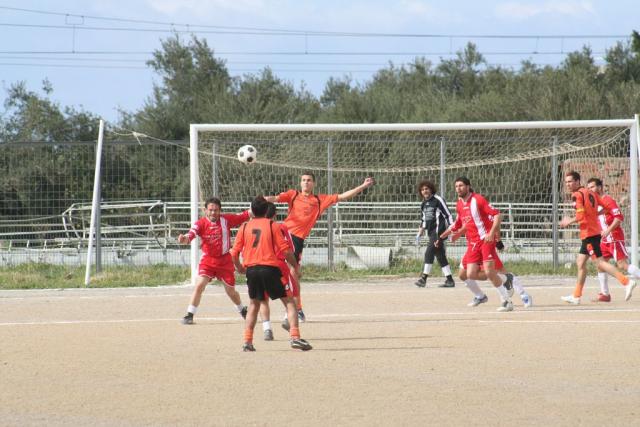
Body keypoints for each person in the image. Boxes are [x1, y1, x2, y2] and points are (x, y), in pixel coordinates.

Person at [266, 173, 375, 322]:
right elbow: (274, 198)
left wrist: (363, 186)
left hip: (296, 239)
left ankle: (296, 309)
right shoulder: (293, 195)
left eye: (309, 180)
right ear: (300, 183)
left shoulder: (319, 200)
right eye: (303, 180)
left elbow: (343, 196)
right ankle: (282, 307)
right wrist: (262, 199)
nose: (306, 182)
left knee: (292, 273)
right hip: (282, 233)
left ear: (314, 184)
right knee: (275, 270)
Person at [230, 196, 311, 352]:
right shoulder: (272, 225)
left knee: (253, 304)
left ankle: (247, 341)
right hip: (270, 268)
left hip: (252, 270)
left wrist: (239, 267)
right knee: (289, 302)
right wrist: (295, 266)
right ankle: (295, 337)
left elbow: (234, 253)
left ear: (252, 211)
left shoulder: (244, 227)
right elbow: (285, 251)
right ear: (266, 210)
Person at [439, 177, 515, 312]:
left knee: (489, 271)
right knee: (470, 274)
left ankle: (506, 301)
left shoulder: (478, 199)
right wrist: (444, 235)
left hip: (485, 240)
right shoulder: (459, 204)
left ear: (468, 186)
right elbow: (458, 223)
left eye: (461, 185)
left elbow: (497, 215)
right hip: (473, 243)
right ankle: (504, 278)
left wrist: (491, 233)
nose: (458, 188)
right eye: (456, 186)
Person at [559, 171, 636, 304]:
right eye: (566, 182)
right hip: (592, 233)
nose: (568, 184)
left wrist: (568, 221)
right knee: (580, 262)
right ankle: (576, 296)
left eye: (570, 181)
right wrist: (594, 214)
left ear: (577, 181)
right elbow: (606, 208)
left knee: (600, 263)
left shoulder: (577, 195)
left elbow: (580, 216)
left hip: (589, 233)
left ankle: (626, 281)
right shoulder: (590, 193)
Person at [177, 197, 250, 325]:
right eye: (210, 210)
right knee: (199, 285)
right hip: (208, 260)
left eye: (216, 210)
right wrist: (185, 239)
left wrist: (259, 206)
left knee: (231, 292)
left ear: (220, 211)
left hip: (225, 260)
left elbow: (244, 216)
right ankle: (189, 315)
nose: (213, 213)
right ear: (205, 210)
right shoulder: (200, 223)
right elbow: (191, 234)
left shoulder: (226, 220)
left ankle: (242, 310)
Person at [450, 224, 532, 308]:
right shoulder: (464, 216)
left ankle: (523, 295)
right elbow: (459, 224)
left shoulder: (482, 216)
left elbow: (495, 222)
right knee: (462, 274)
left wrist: (498, 241)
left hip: (485, 245)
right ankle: (480, 296)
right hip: (473, 247)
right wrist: (449, 234)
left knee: (500, 271)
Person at [586, 177, 640, 302]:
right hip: (604, 241)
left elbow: (619, 217)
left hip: (614, 238)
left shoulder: (608, 200)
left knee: (622, 265)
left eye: (592, 187)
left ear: (600, 187)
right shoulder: (595, 203)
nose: (590, 190)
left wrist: (608, 230)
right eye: (588, 188)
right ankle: (605, 294)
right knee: (600, 264)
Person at [257, 202, 298, 341]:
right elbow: (289, 249)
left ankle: (267, 329)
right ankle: (289, 322)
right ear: (274, 214)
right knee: (291, 297)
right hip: (279, 265)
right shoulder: (280, 227)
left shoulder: (253, 227)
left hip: (260, 265)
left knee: (263, 299)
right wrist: (294, 265)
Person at [414, 179, 455, 288]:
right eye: (422, 189)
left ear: (431, 189)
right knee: (440, 255)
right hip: (431, 232)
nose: (424, 191)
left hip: (438, 232)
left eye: (426, 189)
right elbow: (423, 219)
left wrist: (452, 229)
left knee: (429, 253)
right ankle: (450, 280)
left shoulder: (438, 200)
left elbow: (448, 215)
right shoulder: (423, 204)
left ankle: (423, 278)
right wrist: (420, 231)